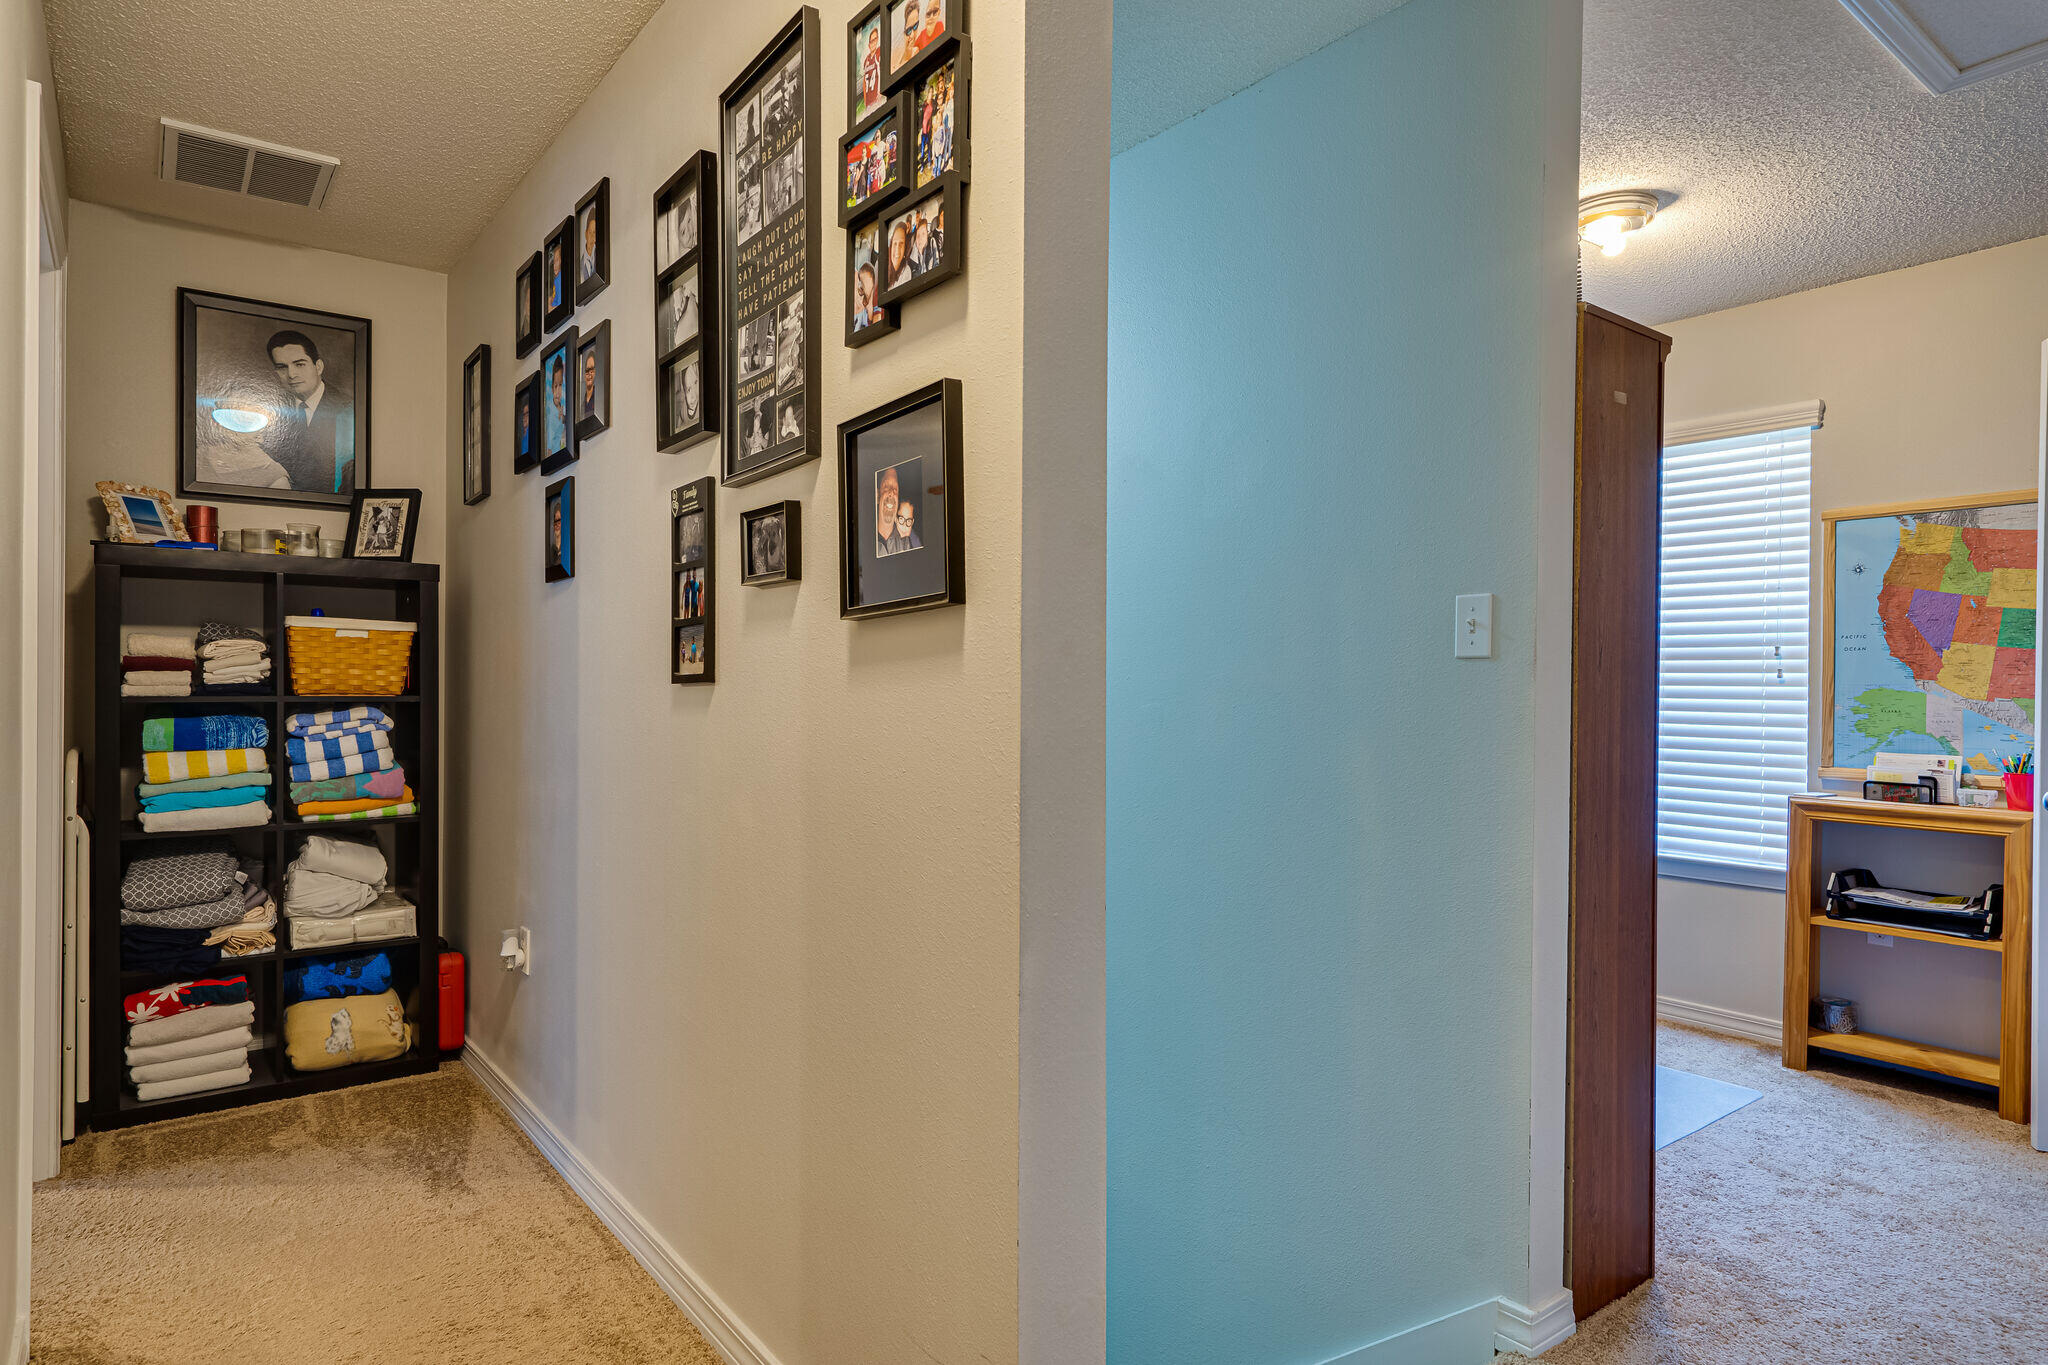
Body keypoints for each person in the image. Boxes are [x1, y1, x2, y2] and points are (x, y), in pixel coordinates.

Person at [259, 329, 356, 494]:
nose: (291, 374)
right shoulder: (270, 412)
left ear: (318, 366)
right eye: (282, 367)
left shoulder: (348, 409)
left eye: (299, 364)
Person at [876, 465, 901, 555]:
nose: (891, 492)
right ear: (878, 495)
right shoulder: (864, 540)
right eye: (886, 486)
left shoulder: (907, 543)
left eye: (895, 489)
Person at [545, 356, 568, 454]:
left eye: (561, 385)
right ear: (552, 388)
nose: (558, 391)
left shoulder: (562, 408)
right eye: (555, 386)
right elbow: (549, 446)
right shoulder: (550, 412)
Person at [859, 22, 883, 114]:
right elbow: (865, 83)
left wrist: (880, 92)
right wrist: (865, 100)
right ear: (869, 44)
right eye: (871, 41)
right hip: (869, 102)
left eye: (875, 39)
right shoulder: (866, 61)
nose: (873, 43)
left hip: (877, 98)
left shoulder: (879, 52)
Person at [887, 221, 912, 289]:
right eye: (895, 243)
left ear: (905, 248)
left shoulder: (906, 271)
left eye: (901, 243)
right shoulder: (881, 266)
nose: (897, 249)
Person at [580, 210, 599, 282]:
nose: (591, 236)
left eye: (594, 233)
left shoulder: (599, 256)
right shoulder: (580, 265)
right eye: (590, 232)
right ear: (585, 234)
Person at [582, 347, 600, 416]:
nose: (589, 374)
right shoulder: (582, 402)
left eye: (592, 370)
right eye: (587, 371)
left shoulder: (598, 397)